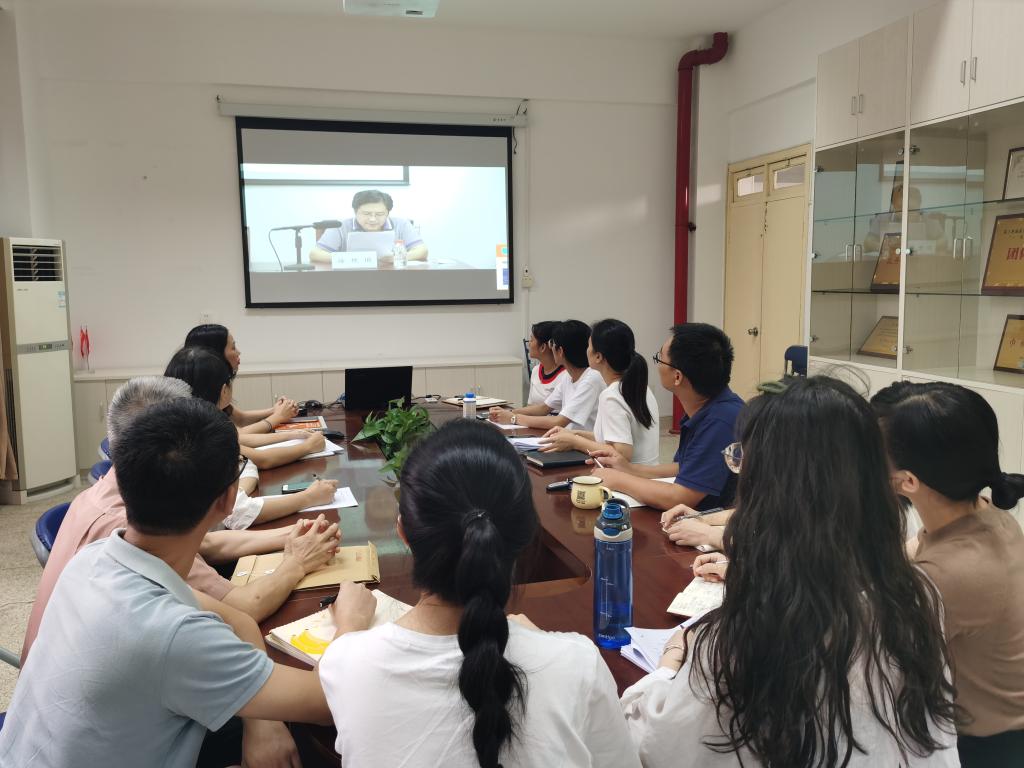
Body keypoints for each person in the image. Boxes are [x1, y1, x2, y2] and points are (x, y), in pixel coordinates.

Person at [620, 376, 959, 768]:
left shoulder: (749, 635)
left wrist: (670, 662)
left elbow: (653, 744)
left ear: (767, 491)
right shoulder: (918, 594)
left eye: (741, 460)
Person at [0, 397, 346, 767]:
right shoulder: (174, 635)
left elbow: (237, 618)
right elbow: (326, 702)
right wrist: (349, 622)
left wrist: (261, 721)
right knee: (312, 743)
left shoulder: (94, 557)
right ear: (229, 499)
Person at [320, 419, 641, 768]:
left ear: (404, 532)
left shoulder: (347, 663)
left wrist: (347, 628)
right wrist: (549, 647)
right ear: (525, 536)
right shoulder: (578, 665)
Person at [21, 376, 342, 664]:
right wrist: (296, 563)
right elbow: (244, 609)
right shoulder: (126, 526)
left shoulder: (111, 492)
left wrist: (288, 535)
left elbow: (208, 544)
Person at [872, 381, 1024, 767]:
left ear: (908, 481)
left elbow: (866, 644)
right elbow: (911, 551)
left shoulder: (950, 575)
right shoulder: (983, 513)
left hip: (982, 748)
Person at [590, 323, 742, 513]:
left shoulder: (720, 421)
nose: (658, 365)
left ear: (677, 377)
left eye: (660, 359)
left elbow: (679, 497)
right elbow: (685, 468)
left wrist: (617, 479)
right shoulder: (710, 407)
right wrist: (629, 469)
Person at [165, 346, 329, 472]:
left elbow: (238, 438)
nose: (238, 352)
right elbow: (263, 459)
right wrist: (307, 447)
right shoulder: (201, 431)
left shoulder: (179, 418)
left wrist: (294, 435)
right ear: (223, 390)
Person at [540, 318, 660, 465]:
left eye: (589, 346)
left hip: (627, 476)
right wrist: (574, 434)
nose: (586, 350)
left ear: (598, 356)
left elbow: (622, 454)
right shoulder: (641, 387)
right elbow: (611, 439)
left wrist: (575, 442)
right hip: (646, 473)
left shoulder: (612, 395)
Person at [489, 320, 604, 431]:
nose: (551, 348)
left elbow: (559, 421)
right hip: (568, 438)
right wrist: (508, 413)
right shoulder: (569, 377)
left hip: (582, 442)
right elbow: (544, 408)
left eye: (552, 344)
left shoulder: (591, 379)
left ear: (560, 351)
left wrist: (513, 418)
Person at [184, 323, 300, 431]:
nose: (238, 352)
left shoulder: (210, 383)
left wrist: (275, 410)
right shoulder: (199, 396)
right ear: (216, 353)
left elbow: (241, 418)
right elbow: (236, 437)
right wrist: (278, 416)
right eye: (233, 347)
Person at [309, 189, 427, 264]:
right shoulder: (340, 226)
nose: (372, 219)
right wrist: (350, 259)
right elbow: (315, 254)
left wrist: (398, 258)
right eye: (366, 214)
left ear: (388, 213)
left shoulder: (401, 224)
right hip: (349, 278)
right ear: (355, 212)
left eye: (379, 214)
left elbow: (422, 251)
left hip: (391, 277)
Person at [526, 320, 567, 405]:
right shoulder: (536, 370)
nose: (529, 344)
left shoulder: (566, 375)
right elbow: (529, 405)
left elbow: (545, 409)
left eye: (531, 340)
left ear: (543, 347)